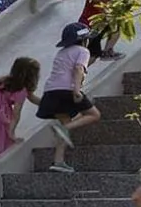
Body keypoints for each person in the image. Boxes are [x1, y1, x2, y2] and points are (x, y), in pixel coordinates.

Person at [39, 23, 102, 172]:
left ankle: (58, 161)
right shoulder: (83, 51)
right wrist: (77, 90)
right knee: (94, 114)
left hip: (50, 91)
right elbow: (79, 69)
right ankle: (63, 128)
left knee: (66, 122)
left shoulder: (61, 52)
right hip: (67, 89)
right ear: (83, 40)